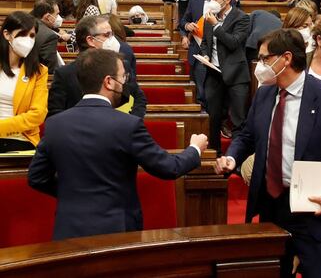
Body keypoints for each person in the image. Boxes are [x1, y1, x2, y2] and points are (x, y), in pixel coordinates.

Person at [215, 28, 321, 277]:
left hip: (314, 211)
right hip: (271, 207)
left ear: (285, 58)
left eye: (265, 58)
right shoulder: (265, 93)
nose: (260, 64)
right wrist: (232, 157)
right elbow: (246, 134)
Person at [28, 48, 208, 240]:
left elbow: (37, 177)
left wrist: (72, 195)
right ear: (108, 81)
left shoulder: (55, 124)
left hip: (68, 230)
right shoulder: (127, 125)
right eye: (123, 77)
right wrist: (195, 149)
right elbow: (168, 167)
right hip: (116, 232)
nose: (124, 83)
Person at [48, 15, 147, 118]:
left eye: (112, 34)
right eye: (107, 35)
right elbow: (55, 112)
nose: (112, 39)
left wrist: (130, 123)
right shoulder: (65, 74)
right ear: (91, 40)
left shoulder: (122, 65)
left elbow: (139, 98)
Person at [199, 0, 250, 155]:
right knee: (213, 118)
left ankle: (235, 158)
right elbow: (205, 43)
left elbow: (234, 42)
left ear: (227, 0)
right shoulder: (209, 16)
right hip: (214, 73)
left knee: (237, 120)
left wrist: (216, 25)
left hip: (236, 75)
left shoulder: (242, 17)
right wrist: (205, 54)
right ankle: (215, 156)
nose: (211, 1)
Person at [0, 11, 48, 152]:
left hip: (21, 138)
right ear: (7, 34)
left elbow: (38, 114)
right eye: (22, 34)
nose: (28, 40)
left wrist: (2, 127)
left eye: (32, 36)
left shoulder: (38, 71)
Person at [31, 0, 61, 74]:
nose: (59, 17)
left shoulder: (28, 24)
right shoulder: (49, 36)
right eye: (57, 14)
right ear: (48, 17)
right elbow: (51, 68)